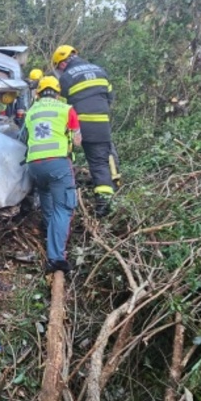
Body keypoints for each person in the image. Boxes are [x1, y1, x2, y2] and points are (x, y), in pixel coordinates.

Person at [52, 45, 121, 217]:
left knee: (64, 156)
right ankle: (104, 203)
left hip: (79, 125)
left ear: (61, 64)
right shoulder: (100, 71)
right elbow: (110, 97)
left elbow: (61, 108)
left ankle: (63, 197)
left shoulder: (66, 78)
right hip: (101, 124)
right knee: (99, 163)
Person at [22, 76, 82, 273]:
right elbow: (78, 140)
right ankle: (56, 258)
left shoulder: (31, 112)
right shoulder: (66, 110)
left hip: (34, 166)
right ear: (58, 92)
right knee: (63, 208)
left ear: (38, 93)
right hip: (57, 165)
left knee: (45, 193)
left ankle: (50, 231)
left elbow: (23, 137)